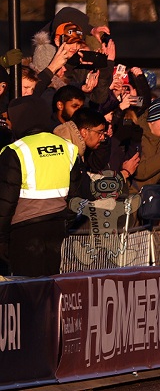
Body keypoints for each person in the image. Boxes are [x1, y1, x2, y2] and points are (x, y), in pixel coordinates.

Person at [0, 96, 89, 276]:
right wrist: (65, 222)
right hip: (56, 226)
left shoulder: (16, 150)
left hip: (24, 229)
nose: (9, 124)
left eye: (10, 119)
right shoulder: (68, 147)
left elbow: (5, 201)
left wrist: (1, 238)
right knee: (49, 283)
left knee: (26, 288)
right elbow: (77, 194)